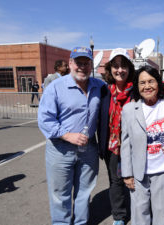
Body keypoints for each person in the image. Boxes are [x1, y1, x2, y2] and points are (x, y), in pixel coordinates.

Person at [38, 46, 107, 225]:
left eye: (86, 63)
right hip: (60, 149)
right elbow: (45, 120)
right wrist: (67, 135)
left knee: (84, 192)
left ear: (91, 65)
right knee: (60, 194)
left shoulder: (99, 86)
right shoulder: (55, 88)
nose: (82, 67)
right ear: (70, 63)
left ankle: (80, 223)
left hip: (89, 149)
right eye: (78, 63)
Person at [121, 65, 164, 225]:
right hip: (139, 174)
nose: (147, 86)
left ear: (158, 83)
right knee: (139, 215)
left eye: (151, 81)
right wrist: (127, 173)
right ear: (137, 86)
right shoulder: (129, 109)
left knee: (162, 215)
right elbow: (125, 143)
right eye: (142, 82)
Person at [101, 48, 135, 225]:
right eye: (115, 66)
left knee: (138, 179)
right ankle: (119, 216)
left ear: (129, 68)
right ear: (110, 69)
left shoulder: (137, 91)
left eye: (123, 66)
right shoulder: (105, 91)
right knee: (116, 181)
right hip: (113, 146)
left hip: (135, 146)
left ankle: (140, 212)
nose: (119, 70)